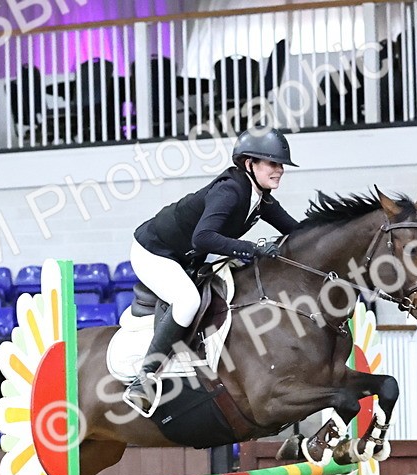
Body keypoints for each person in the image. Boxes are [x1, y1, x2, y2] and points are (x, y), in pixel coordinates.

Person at [124, 127, 302, 413]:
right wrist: (253, 248)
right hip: (154, 252)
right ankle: (144, 378)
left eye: (280, 164)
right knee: (188, 301)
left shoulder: (260, 198)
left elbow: (296, 231)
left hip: (186, 256)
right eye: (272, 163)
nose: (279, 170)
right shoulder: (230, 190)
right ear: (249, 164)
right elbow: (203, 238)